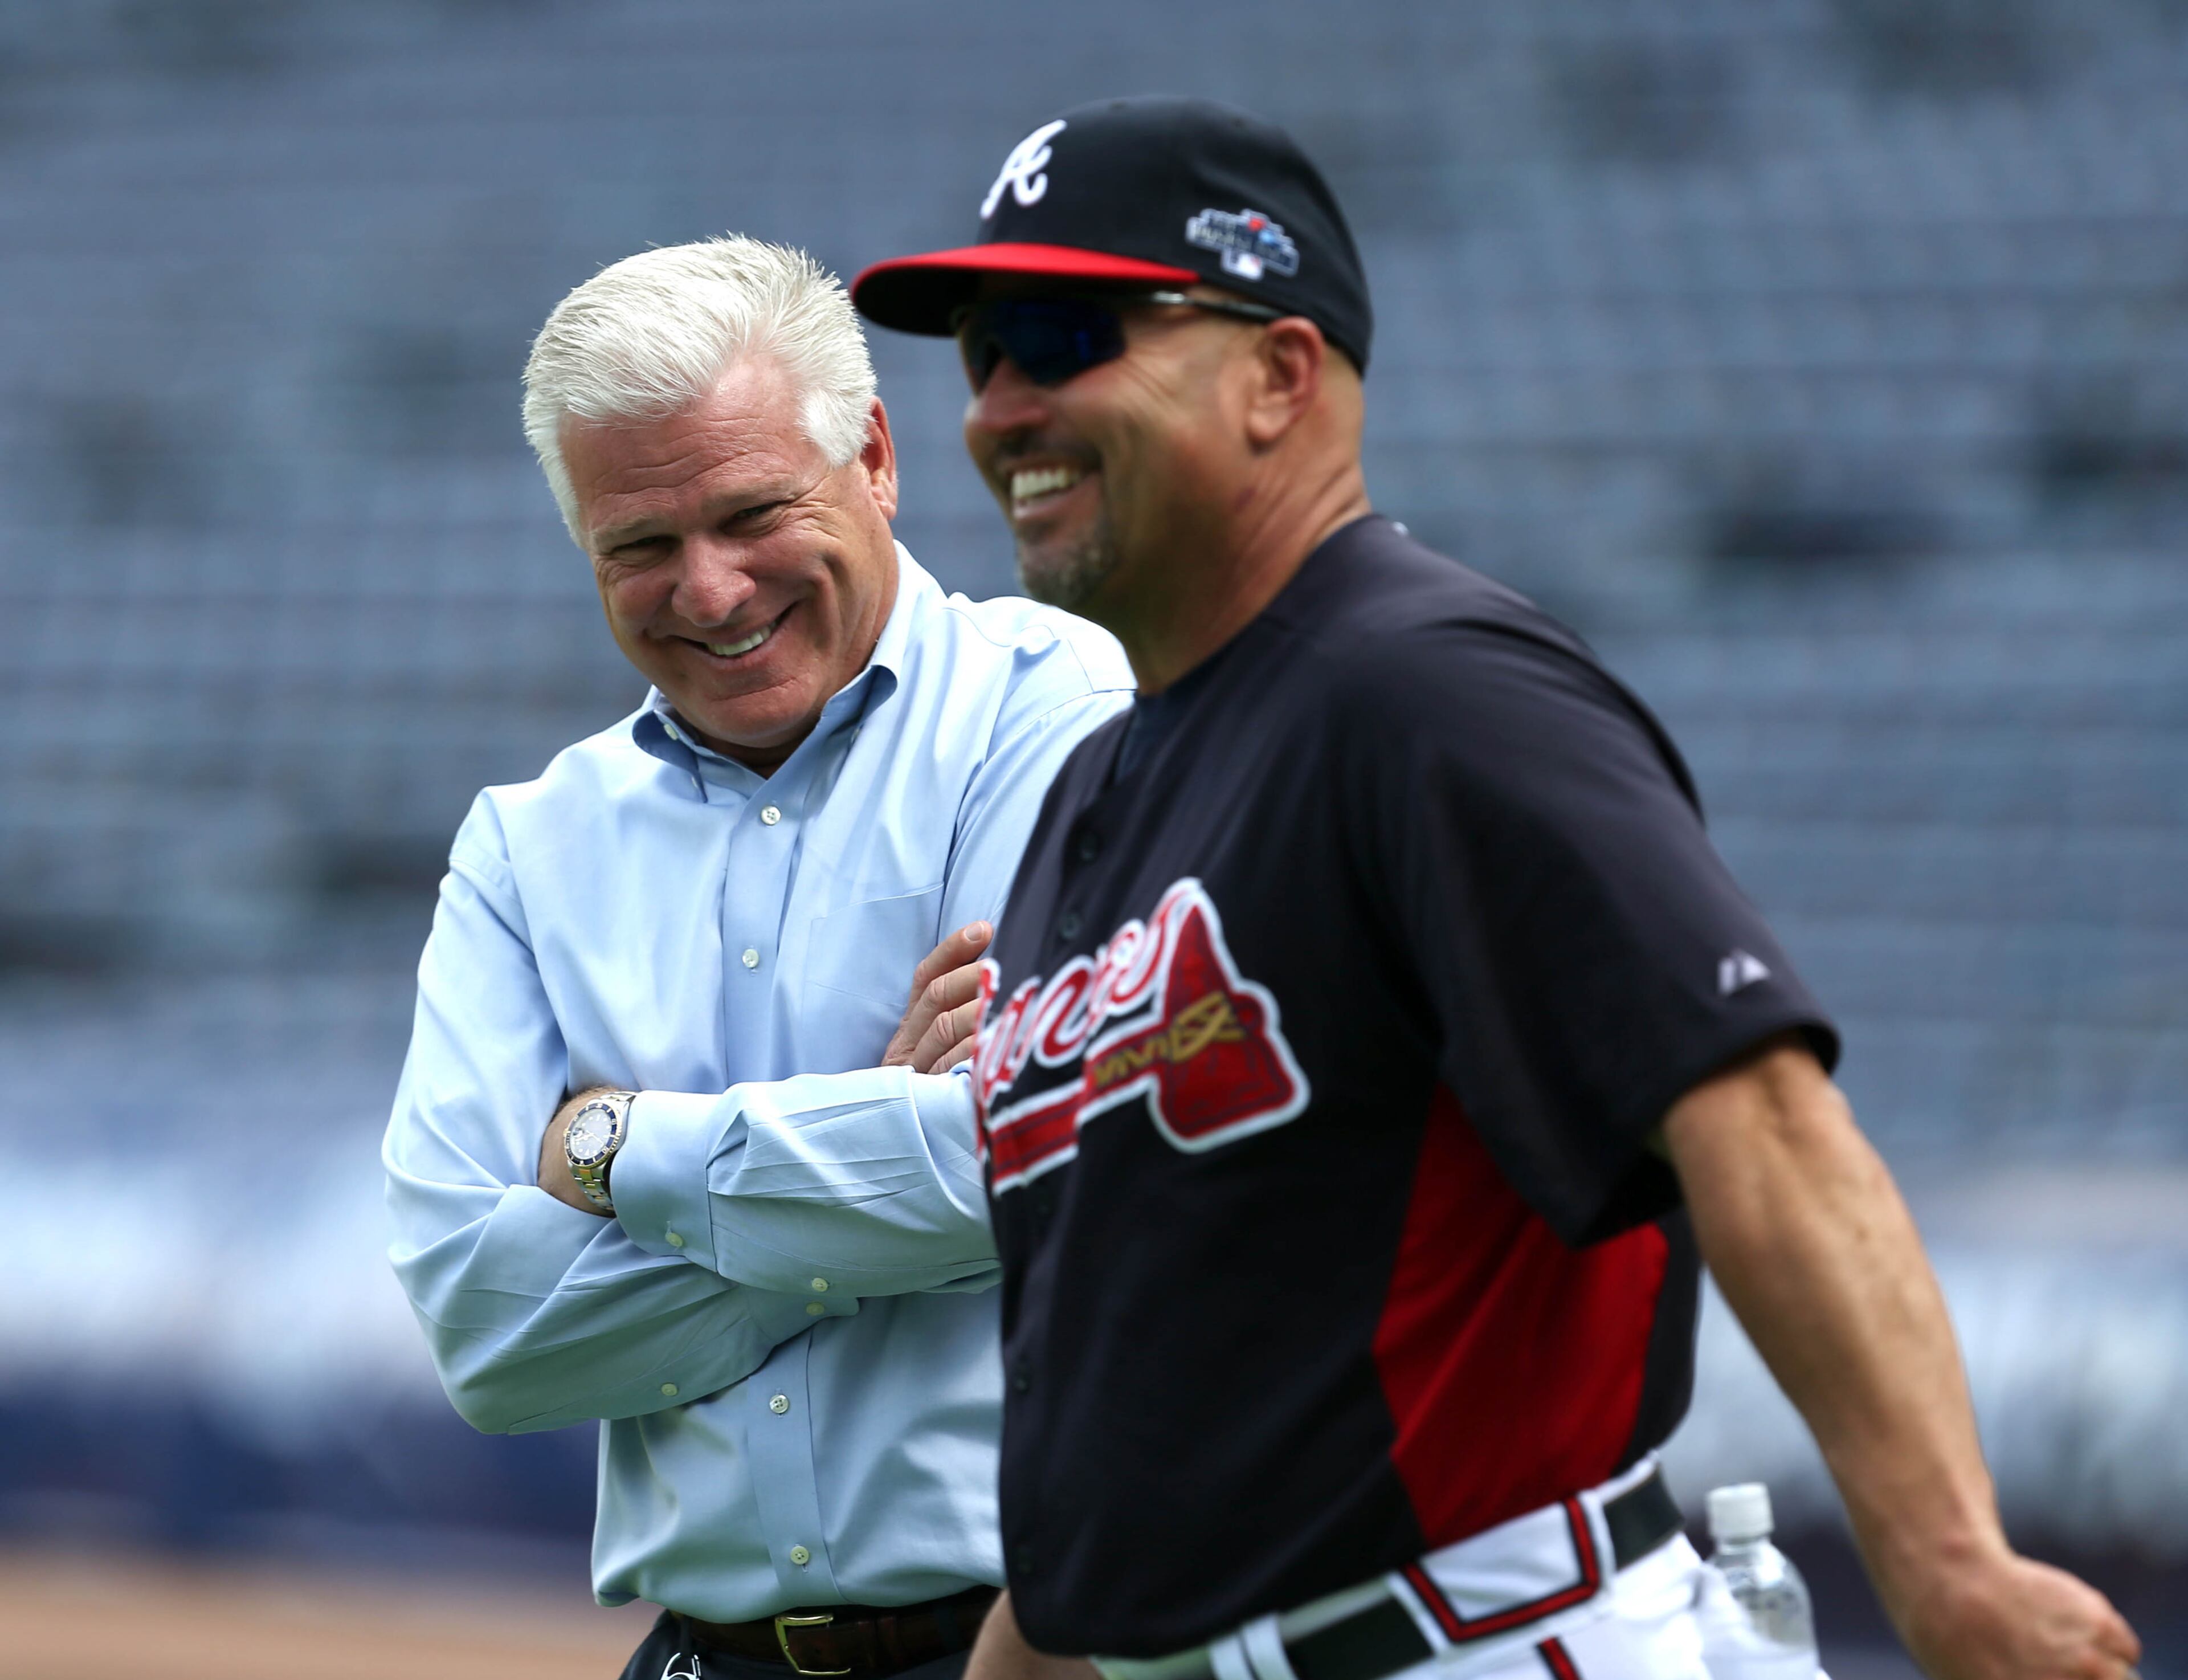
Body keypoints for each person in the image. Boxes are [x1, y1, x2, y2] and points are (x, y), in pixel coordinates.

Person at [849, 97, 2141, 1680]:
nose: (1001, 408)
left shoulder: (1430, 691)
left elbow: (1762, 1116)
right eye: (978, 354)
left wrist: (1949, 1566)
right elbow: (1127, 1426)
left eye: (1060, 334)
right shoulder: (1095, 796)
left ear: (1280, 373)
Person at [382, 235, 1131, 1680]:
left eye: (752, 513)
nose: (711, 592)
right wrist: (872, 1138)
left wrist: (621, 1154)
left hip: (1041, 1649)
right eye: (641, 549)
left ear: (875, 456)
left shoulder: (1058, 706)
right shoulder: (527, 845)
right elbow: (485, 1329)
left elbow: (1023, 1167)